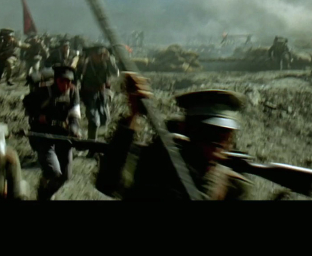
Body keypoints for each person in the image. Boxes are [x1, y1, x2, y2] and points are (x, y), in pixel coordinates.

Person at [95, 74, 252, 200]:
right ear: (187, 129)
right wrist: (133, 115)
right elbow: (108, 183)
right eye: (209, 131)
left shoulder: (232, 185)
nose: (218, 139)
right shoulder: (159, 163)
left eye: (225, 132)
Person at [22, 65, 82, 200]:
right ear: (56, 80)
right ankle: (44, 189)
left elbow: (75, 113)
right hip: (43, 135)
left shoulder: (73, 92)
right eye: (62, 81)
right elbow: (27, 103)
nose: (66, 85)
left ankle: (44, 194)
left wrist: (74, 127)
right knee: (53, 172)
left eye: (69, 82)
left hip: (62, 135)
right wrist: (38, 115)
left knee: (65, 176)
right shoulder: (43, 91)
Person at [78, 45, 120, 147]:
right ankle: (91, 145)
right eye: (98, 55)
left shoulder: (106, 63)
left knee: (105, 119)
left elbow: (115, 73)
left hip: (102, 94)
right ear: (92, 55)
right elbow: (77, 75)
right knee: (93, 121)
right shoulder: (86, 64)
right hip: (89, 94)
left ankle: (95, 140)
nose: (100, 57)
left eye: (102, 55)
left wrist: (110, 59)